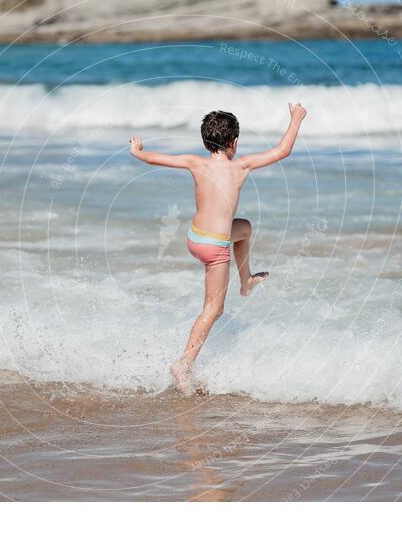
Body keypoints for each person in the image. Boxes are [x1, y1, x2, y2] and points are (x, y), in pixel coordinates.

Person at [129, 103, 307, 395]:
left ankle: (246, 280)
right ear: (234, 143)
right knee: (214, 309)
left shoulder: (195, 162)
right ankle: (184, 363)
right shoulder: (241, 165)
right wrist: (296, 120)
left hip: (195, 239)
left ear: (205, 142)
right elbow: (282, 150)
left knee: (244, 228)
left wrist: (137, 151)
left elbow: (152, 159)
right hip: (215, 249)